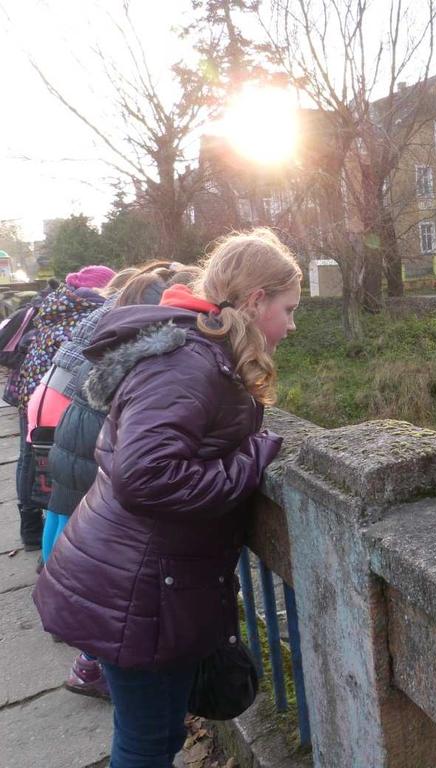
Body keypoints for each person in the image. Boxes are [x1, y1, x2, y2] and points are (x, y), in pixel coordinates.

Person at [34, 229, 300, 768]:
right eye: (289, 309)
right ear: (255, 301)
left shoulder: (197, 352)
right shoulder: (188, 363)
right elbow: (145, 476)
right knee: (147, 744)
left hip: (139, 582)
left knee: (153, 736)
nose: (292, 325)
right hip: (138, 591)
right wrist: (253, 457)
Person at [44, 264, 202, 699]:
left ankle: (80, 639)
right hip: (86, 435)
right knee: (108, 551)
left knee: (75, 533)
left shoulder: (121, 318)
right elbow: (140, 472)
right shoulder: (156, 334)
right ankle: (90, 661)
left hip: (72, 425)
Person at [6, 266, 114, 550]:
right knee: (59, 480)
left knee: (28, 461)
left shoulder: (55, 307)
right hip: (59, 401)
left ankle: (31, 530)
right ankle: (56, 544)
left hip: (34, 394)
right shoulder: (88, 314)